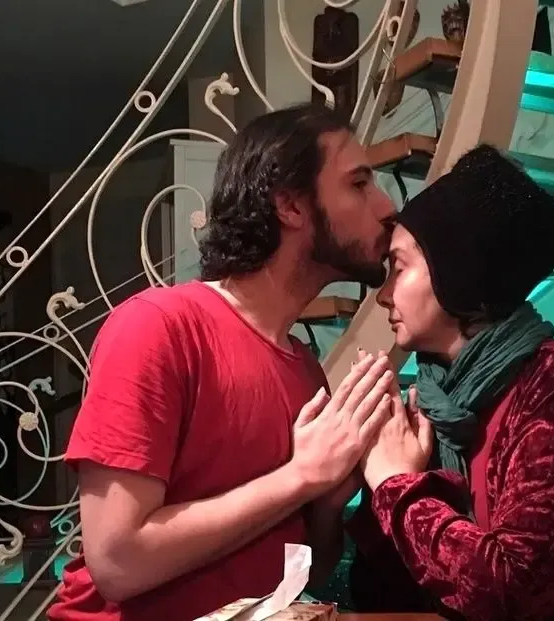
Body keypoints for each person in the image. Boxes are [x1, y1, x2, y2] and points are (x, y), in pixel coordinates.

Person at [48, 103, 400, 621]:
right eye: (359, 184)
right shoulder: (157, 326)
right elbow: (117, 562)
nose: (386, 205)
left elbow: (308, 571)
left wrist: (327, 502)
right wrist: (302, 476)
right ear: (291, 205)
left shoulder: (305, 368)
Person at [350, 144, 554, 620]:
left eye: (398, 268)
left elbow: (510, 592)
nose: (383, 295)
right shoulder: (431, 402)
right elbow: (384, 594)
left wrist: (396, 485)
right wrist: (363, 475)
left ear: (458, 271)